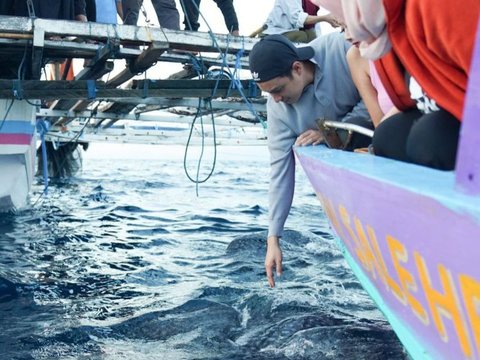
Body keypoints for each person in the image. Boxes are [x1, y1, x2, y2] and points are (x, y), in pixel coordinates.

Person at [248, 33, 372, 287]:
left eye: (278, 90)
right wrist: (274, 239)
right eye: (269, 94)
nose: (277, 100)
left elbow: (380, 87)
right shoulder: (277, 110)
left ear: (297, 68)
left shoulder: (340, 49)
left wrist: (331, 130)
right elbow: (280, 172)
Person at [313, 0, 480, 170]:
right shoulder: (385, 35)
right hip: (446, 110)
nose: (348, 35)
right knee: (388, 135)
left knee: (429, 137)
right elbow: (410, 98)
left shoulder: (440, 7)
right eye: (342, 26)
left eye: (348, 20)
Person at [260, 0, 341, 43]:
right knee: (302, 36)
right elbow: (298, 19)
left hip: (298, 32)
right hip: (278, 32)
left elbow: (314, 23)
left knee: (314, 37)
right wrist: (325, 18)